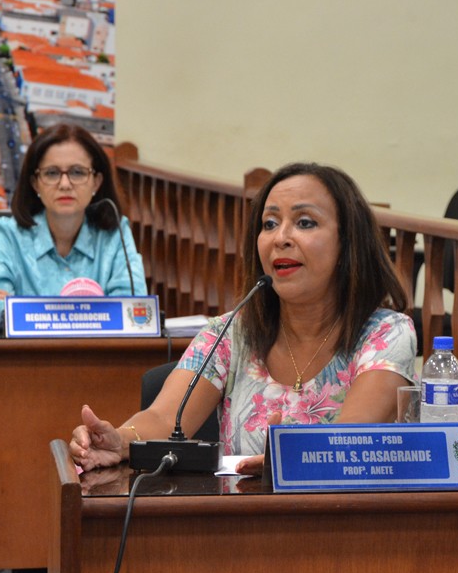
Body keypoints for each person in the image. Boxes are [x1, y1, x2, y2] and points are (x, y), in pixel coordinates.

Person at [70, 161, 417, 475]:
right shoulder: (230, 333)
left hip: (344, 518)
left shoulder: (386, 334)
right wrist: (119, 441)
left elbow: (352, 437)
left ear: (347, 243)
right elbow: (162, 417)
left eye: (305, 223)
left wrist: (290, 458)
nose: (281, 238)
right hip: (242, 515)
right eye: (269, 224)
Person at [0, 123, 146, 325]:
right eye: (52, 173)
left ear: (96, 182)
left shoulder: (116, 233)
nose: (65, 184)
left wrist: (23, 308)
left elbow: (133, 310)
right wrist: (96, 313)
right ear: (35, 183)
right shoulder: (7, 234)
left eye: (78, 172)